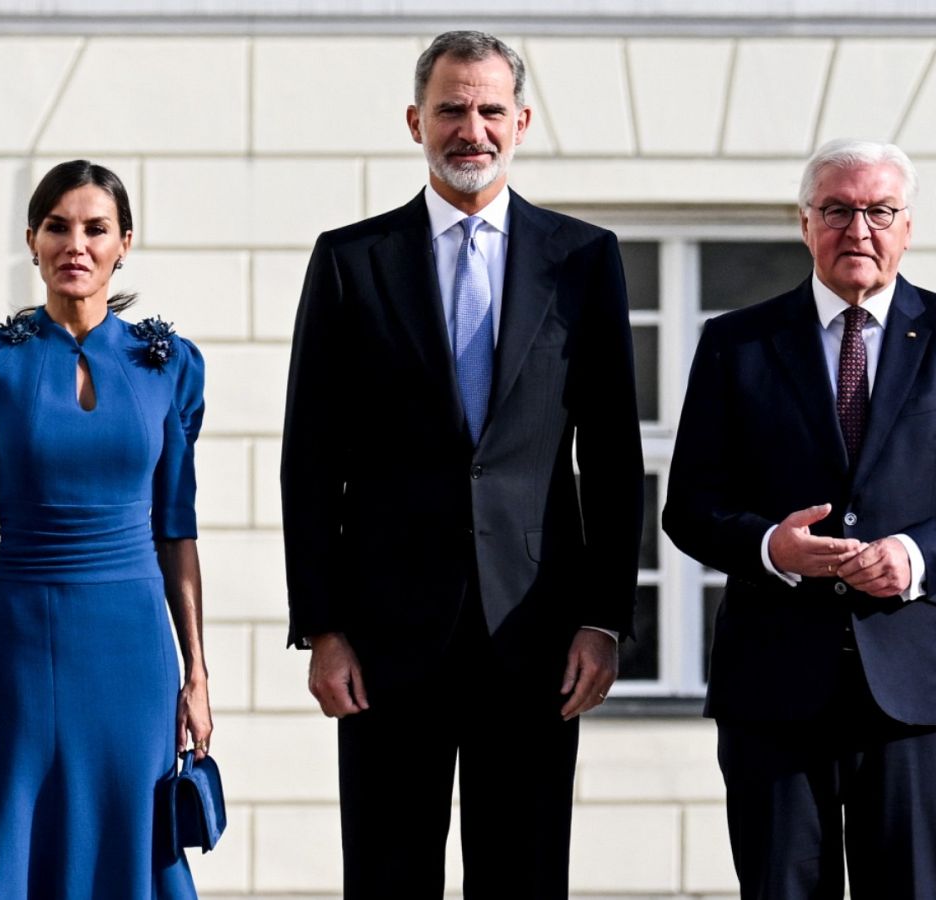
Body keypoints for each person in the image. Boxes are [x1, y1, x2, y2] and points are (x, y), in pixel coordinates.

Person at [281, 30, 643, 899]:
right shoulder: (349, 260)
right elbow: (309, 459)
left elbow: (615, 456)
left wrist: (604, 619)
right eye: (450, 109)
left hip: (538, 636)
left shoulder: (584, 261)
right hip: (384, 641)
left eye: (489, 109)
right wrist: (322, 627)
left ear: (521, 122)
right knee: (386, 874)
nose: (469, 128)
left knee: (522, 876)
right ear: (416, 121)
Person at [662, 139, 936, 898]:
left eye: (879, 211)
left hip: (915, 688)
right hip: (773, 687)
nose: (858, 230)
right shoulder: (736, 343)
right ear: (805, 224)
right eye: (837, 210)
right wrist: (772, 548)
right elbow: (690, 506)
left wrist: (916, 555)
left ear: (908, 228)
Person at [0, 159, 211, 898]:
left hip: (136, 645)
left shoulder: (172, 367)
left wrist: (196, 672)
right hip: (26, 640)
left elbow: (177, 531)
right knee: (24, 832)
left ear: (125, 241)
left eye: (95, 228)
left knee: (135, 834)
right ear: (31, 240)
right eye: (58, 227)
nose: (76, 244)